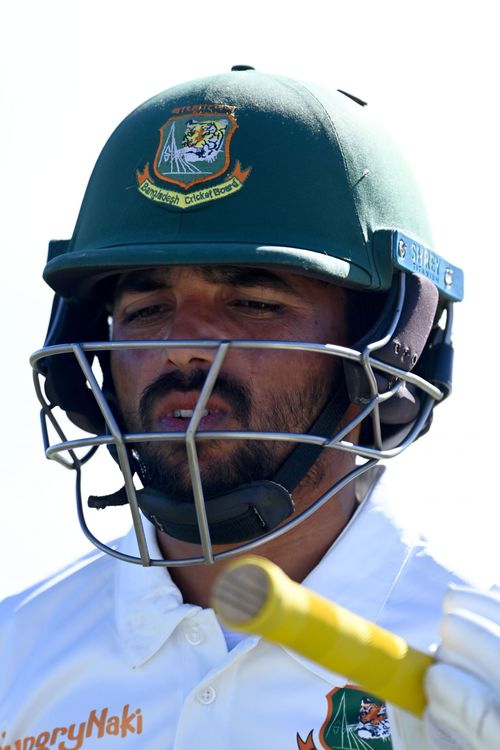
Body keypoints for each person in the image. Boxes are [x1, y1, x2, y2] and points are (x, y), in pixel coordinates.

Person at [1, 67, 498, 750]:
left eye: (256, 303)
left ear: (388, 351)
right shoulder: (15, 659)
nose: (183, 350)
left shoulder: (474, 660)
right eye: (146, 309)